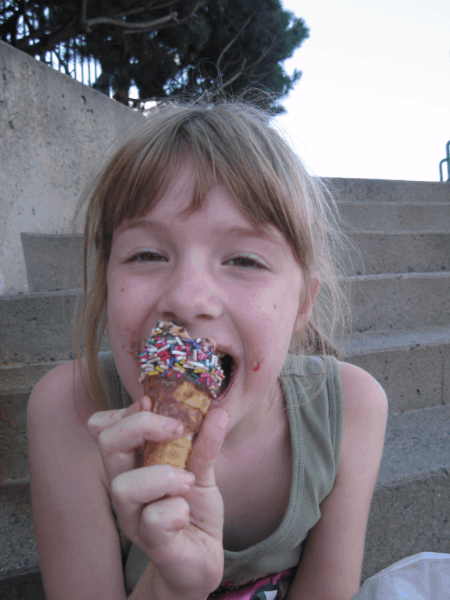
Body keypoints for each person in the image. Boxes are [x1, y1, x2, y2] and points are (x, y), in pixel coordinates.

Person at [27, 98, 388, 600]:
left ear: (303, 303)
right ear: (107, 284)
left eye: (244, 259)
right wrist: (172, 587)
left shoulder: (351, 408)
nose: (187, 298)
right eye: (147, 254)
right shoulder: (71, 411)